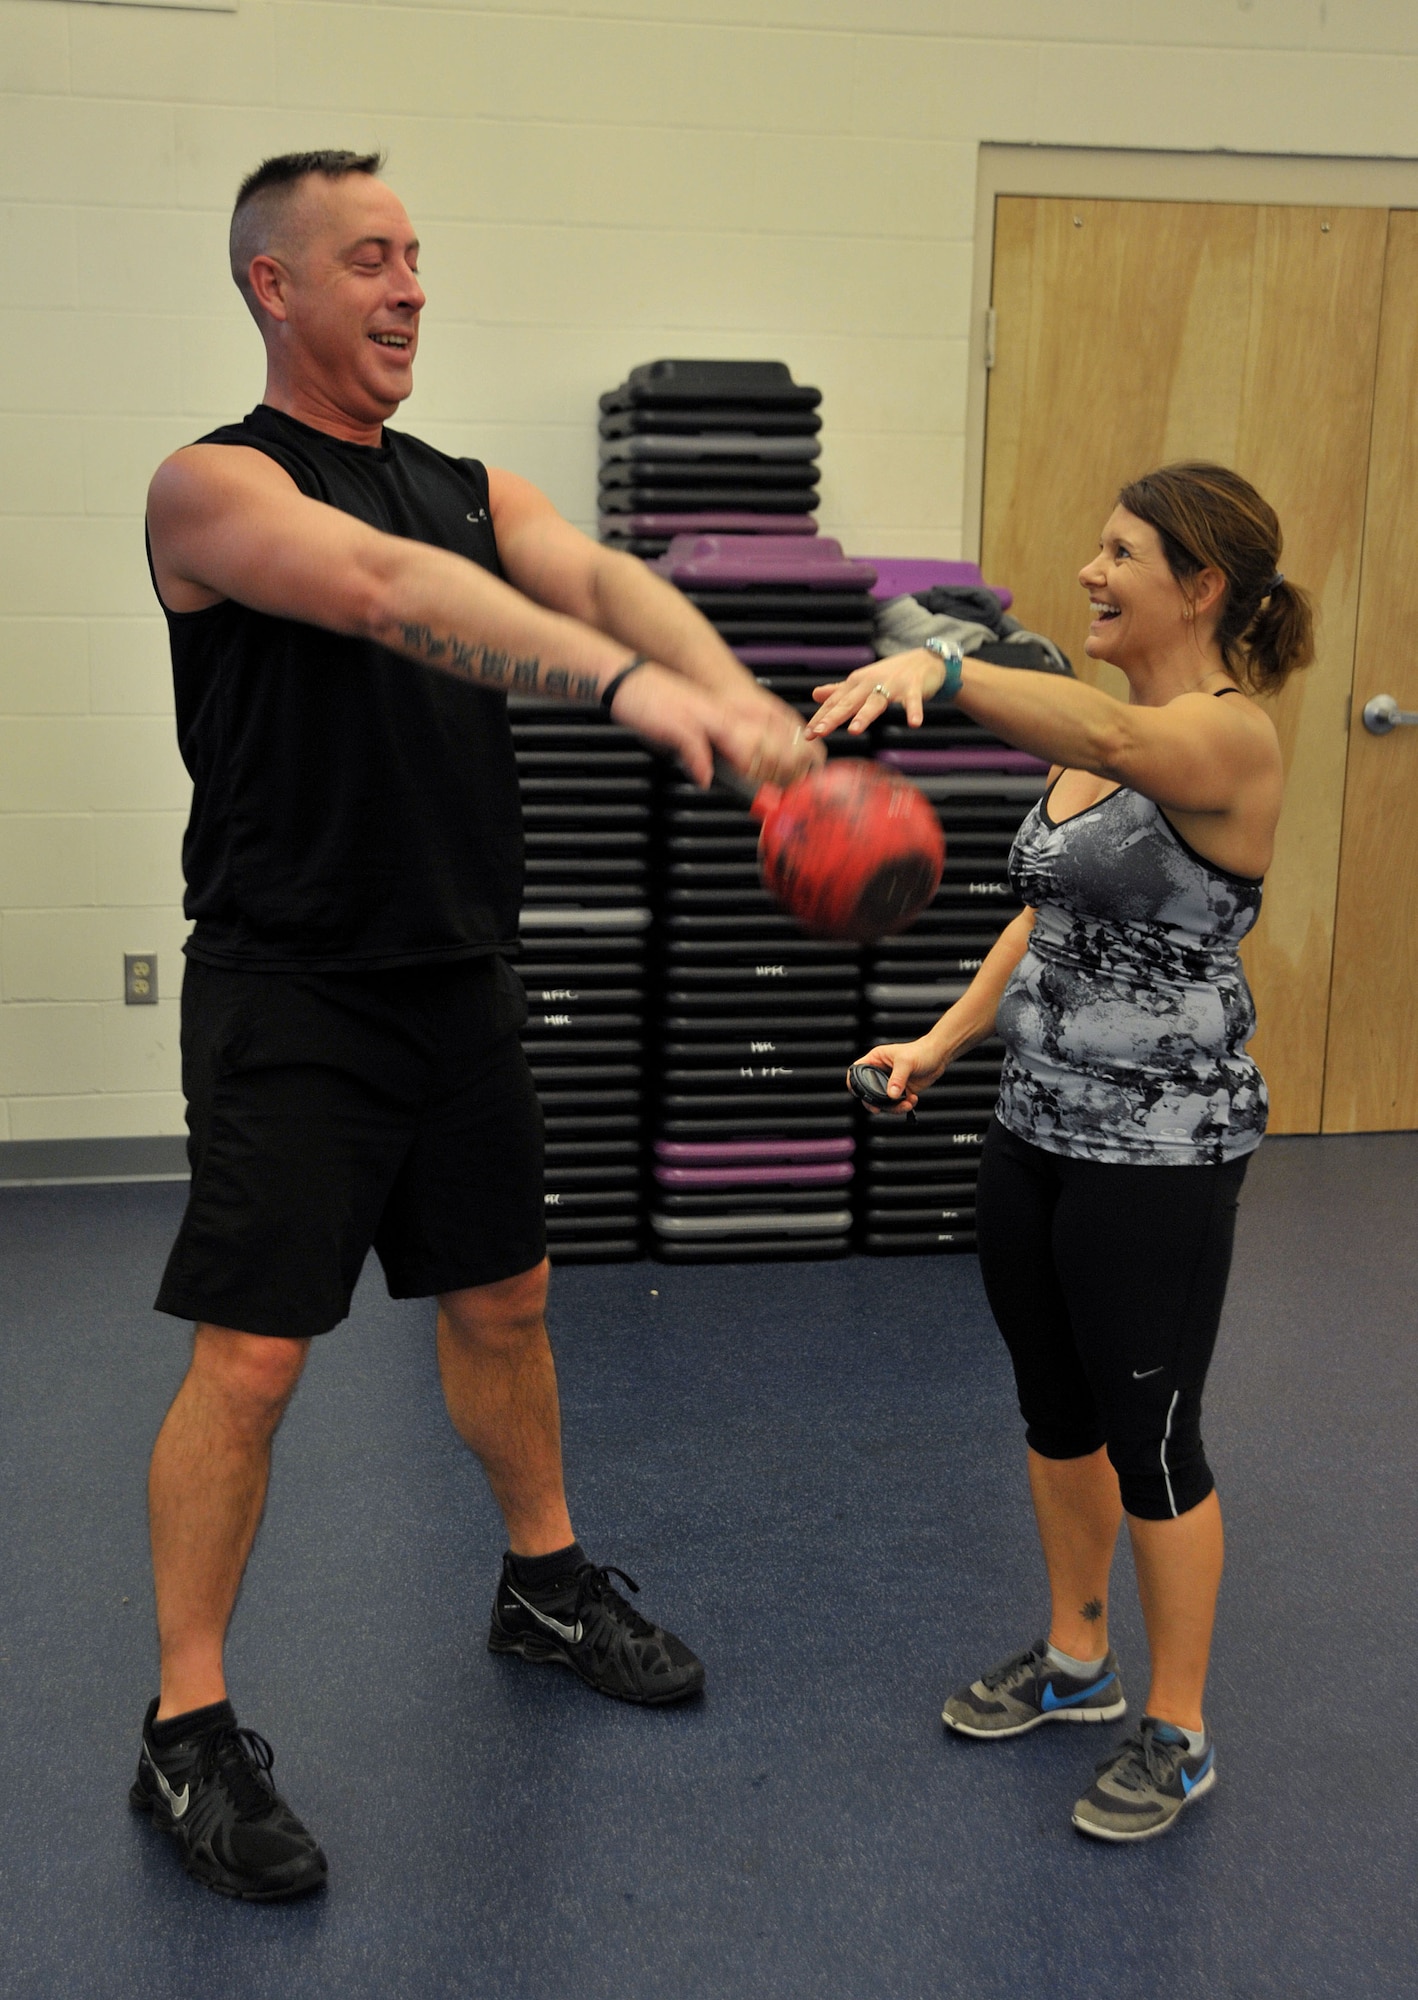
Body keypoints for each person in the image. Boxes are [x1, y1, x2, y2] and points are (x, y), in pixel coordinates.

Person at [131, 148, 819, 1901]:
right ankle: (185, 1731)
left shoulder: (463, 479)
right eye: (371, 257)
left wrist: (737, 702)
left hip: (458, 980)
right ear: (273, 286)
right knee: (254, 1359)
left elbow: (598, 580)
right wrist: (638, 696)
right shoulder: (214, 487)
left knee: (505, 1304)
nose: (412, 284)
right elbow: (384, 600)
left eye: (418, 254)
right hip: (293, 987)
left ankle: (542, 1576)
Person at [808, 462, 1311, 1843]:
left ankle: (1180, 1726)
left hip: (1161, 1150)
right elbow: (1048, 917)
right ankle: (1077, 1663)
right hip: (1035, 1123)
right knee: (1052, 1407)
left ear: (1197, 587)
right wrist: (941, 1040)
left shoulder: (1222, 738)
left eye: (1119, 554)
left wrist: (948, 672)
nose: (1090, 571)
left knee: (1149, 1438)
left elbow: (1102, 726)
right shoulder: (1095, 740)